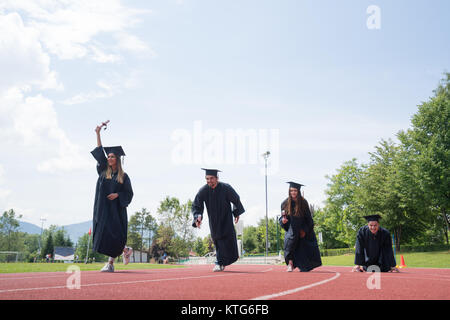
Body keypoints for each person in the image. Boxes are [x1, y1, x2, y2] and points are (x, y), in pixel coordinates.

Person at [91, 124, 134, 272]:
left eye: (112, 156)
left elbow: (129, 194)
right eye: (108, 156)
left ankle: (110, 264)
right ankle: (126, 249)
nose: (109, 158)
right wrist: (98, 133)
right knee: (105, 235)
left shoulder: (124, 176)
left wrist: (118, 195)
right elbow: (99, 152)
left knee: (115, 234)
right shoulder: (104, 171)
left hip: (116, 210)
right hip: (103, 210)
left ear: (117, 159)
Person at [192, 168, 245, 272]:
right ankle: (219, 262)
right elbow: (197, 205)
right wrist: (198, 216)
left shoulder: (226, 188)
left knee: (229, 241)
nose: (209, 181)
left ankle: (222, 262)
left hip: (226, 219)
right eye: (207, 178)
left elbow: (236, 199)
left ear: (217, 178)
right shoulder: (203, 190)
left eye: (211, 178)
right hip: (214, 220)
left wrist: (236, 213)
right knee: (218, 239)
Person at [279, 182, 322, 272]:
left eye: (295, 190)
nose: (293, 192)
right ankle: (290, 264)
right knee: (289, 243)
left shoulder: (303, 202)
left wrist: (305, 230)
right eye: (291, 191)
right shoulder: (285, 203)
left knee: (305, 267)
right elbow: (282, 218)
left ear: (298, 191)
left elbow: (309, 219)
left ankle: (303, 265)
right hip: (291, 229)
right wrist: (283, 222)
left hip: (302, 229)